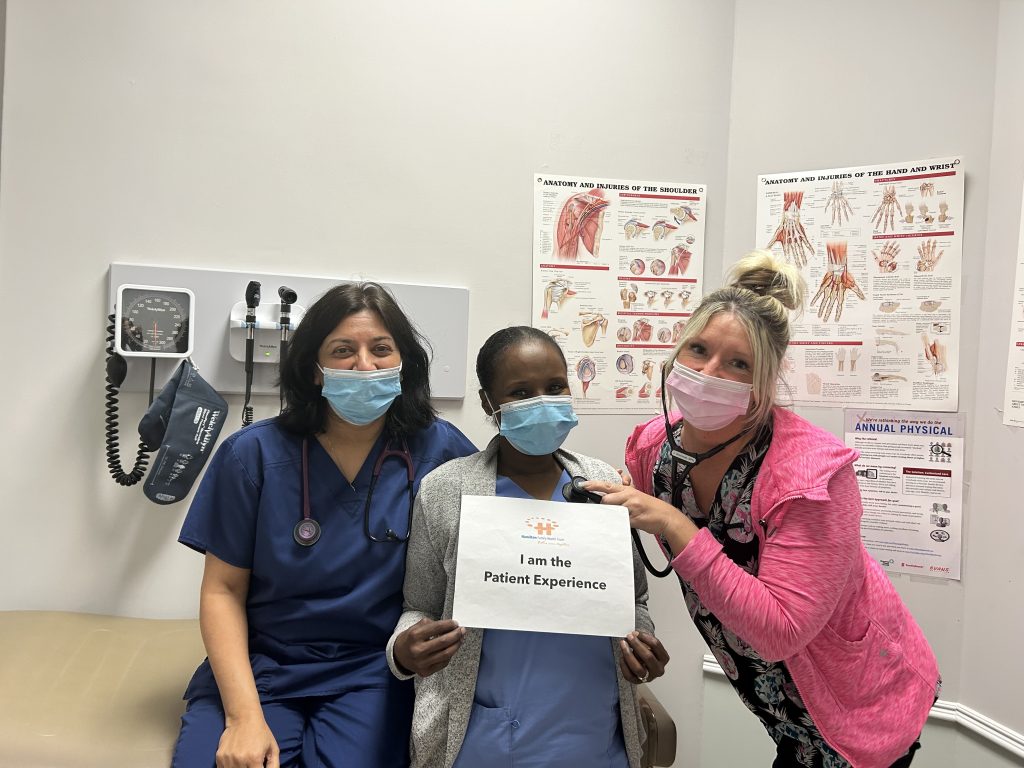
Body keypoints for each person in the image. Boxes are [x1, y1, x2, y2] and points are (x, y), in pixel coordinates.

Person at [585, 252, 940, 768]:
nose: (709, 373)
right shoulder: (653, 449)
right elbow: (638, 512)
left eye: (739, 363)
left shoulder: (810, 476)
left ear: (766, 381)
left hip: (861, 704)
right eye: (698, 349)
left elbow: (780, 630)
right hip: (777, 706)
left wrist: (673, 524)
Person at [172, 282, 476, 768]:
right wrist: (245, 717)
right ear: (315, 371)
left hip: (375, 670)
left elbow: (507, 524)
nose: (364, 365)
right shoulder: (252, 454)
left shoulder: (441, 451)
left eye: (381, 349)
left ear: (404, 365)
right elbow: (222, 591)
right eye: (342, 351)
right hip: (263, 665)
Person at [386, 326, 669, 768]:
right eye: (520, 392)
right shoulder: (444, 490)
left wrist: (640, 643)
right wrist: (404, 650)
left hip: (596, 735)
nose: (542, 401)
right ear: (488, 404)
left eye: (555, 387)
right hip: (482, 740)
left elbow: (634, 598)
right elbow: (418, 604)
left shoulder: (605, 486)